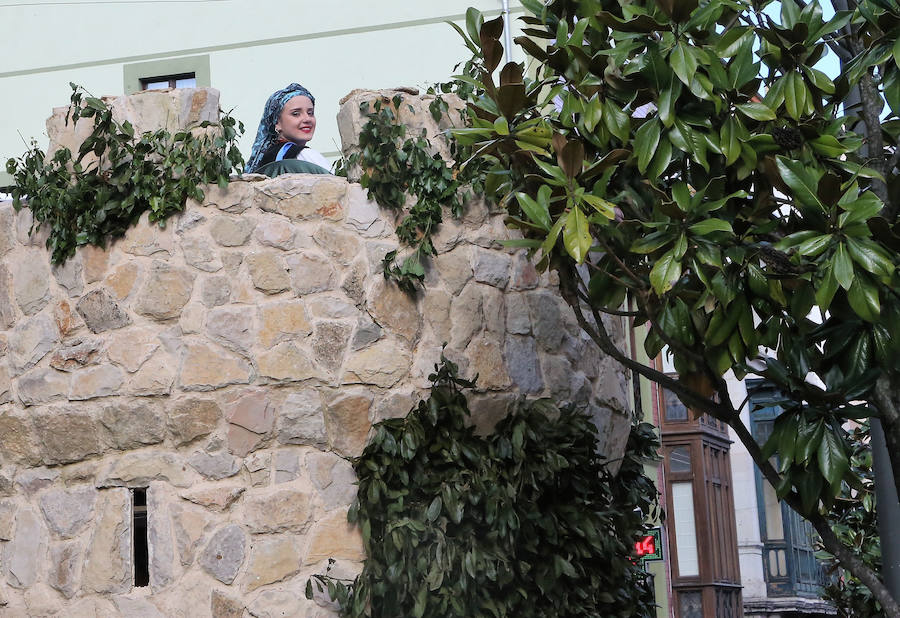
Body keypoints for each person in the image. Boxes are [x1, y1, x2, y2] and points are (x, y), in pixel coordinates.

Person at [247, 83, 332, 176]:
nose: (307, 119)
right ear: (277, 122)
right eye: (296, 114)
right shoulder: (306, 156)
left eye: (310, 113)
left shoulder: (264, 158)